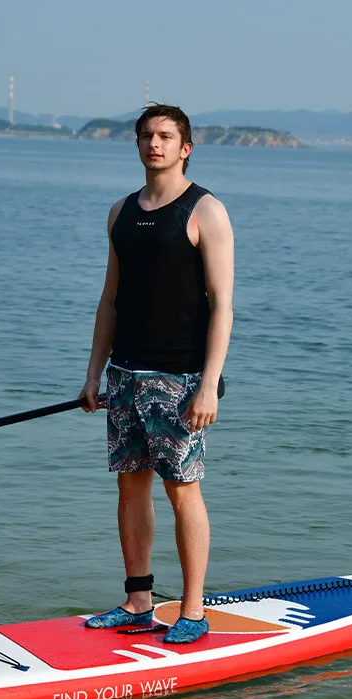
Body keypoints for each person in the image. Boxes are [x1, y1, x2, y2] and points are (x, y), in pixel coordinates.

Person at [80, 103, 234, 644]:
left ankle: (192, 610)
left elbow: (223, 306)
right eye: (147, 136)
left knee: (182, 490)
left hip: (180, 380)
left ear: (185, 146)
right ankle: (138, 601)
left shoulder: (205, 211)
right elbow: (110, 300)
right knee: (130, 488)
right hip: (124, 375)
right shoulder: (120, 212)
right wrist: (93, 373)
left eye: (166, 136)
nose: (155, 144)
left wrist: (209, 382)